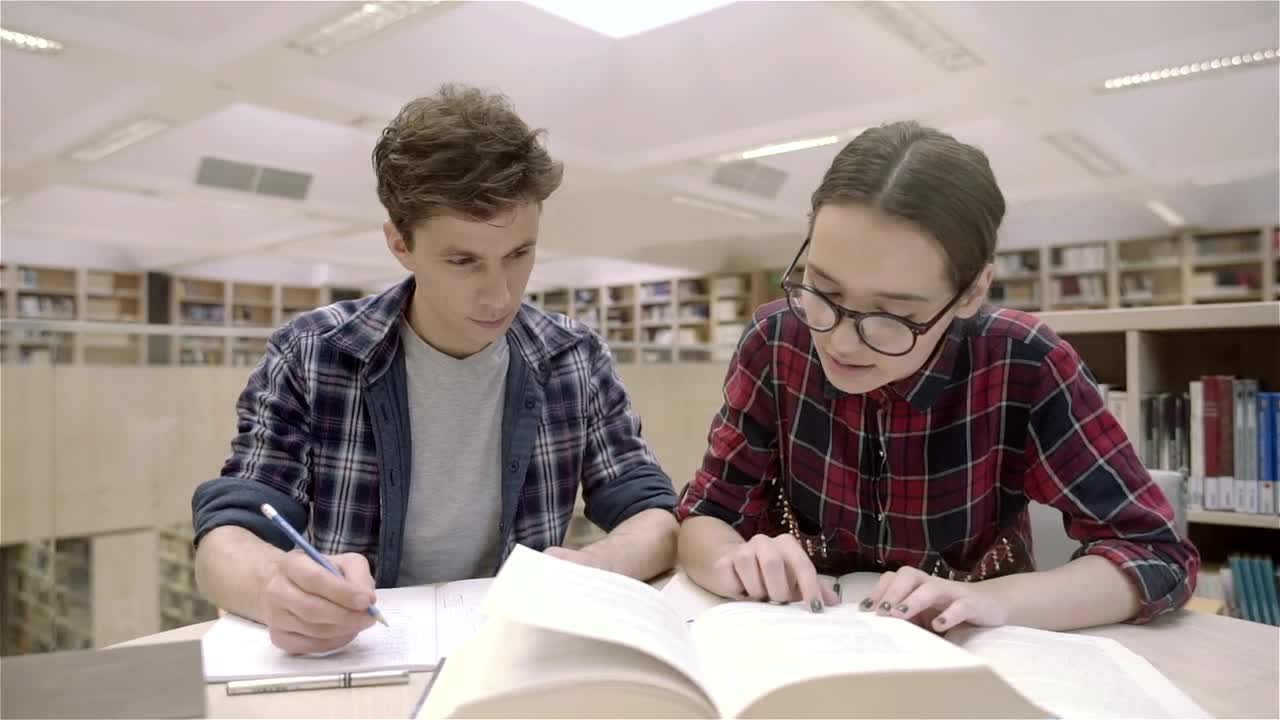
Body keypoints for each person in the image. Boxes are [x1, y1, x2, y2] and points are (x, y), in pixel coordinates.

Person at [192, 84, 679, 654]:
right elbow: (226, 536)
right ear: (400, 244)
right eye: (463, 261)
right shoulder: (314, 353)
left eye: (519, 255)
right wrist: (274, 586)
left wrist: (598, 565)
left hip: (516, 659)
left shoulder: (573, 356)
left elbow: (655, 515)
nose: (499, 295)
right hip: (359, 656)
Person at [675, 121, 1198, 632]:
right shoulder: (775, 339)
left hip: (973, 650)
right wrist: (730, 558)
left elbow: (1154, 554)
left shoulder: (1024, 362)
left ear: (971, 292)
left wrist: (989, 601)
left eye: (893, 316)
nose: (840, 340)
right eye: (823, 290)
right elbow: (706, 511)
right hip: (804, 637)